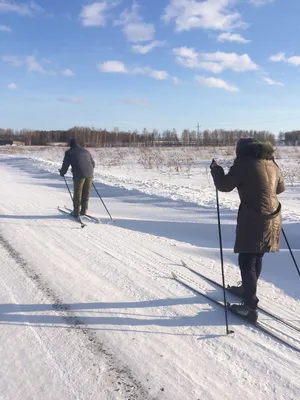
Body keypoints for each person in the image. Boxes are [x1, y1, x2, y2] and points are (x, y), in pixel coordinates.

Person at [210, 138, 285, 322]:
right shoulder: (271, 163)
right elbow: (280, 188)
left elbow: (224, 186)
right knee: (256, 255)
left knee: (247, 259)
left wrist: (216, 170)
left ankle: (249, 307)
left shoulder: (243, 163)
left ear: (242, 150)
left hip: (254, 218)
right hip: (273, 218)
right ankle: (246, 290)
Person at [59, 138, 95, 217]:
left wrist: (62, 172)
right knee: (86, 192)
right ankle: (84, 211)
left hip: (79, 175)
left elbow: (65, 164)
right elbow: (93, 163)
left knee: (78, 193)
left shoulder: (69, 152)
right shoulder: (86, 151)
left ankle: (76, 212)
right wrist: (88, 171)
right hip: (90, 174)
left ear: (70, 145)